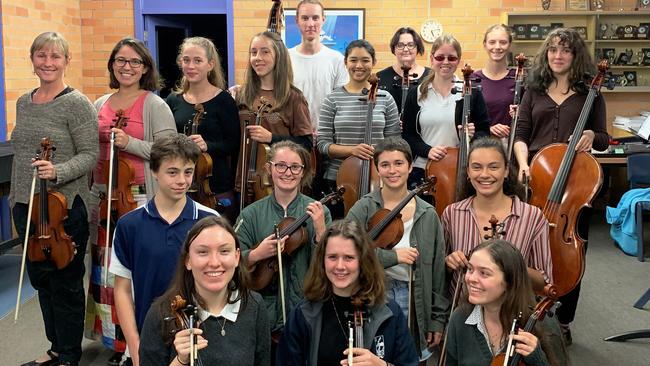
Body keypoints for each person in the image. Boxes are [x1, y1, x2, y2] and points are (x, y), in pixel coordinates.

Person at [513, 27, 609, 343]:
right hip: (537, 181)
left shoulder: (590, 94)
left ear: (574, 55)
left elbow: (604, 138)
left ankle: (564, 320)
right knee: (526, 248)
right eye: (553, 49)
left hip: (574, 186)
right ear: (547, 54)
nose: (558, 55)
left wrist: (592, 136)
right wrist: (524, 164)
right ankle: (528, 310)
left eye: (565, 50)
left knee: (571, 252)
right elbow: (521, 135)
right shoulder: (533, 89)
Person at [85, 37, 176, 365]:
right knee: (109, 275)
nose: (127, 67)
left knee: (137, 272)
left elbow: (169, 151)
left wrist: (131, 142)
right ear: (112, 64)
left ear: (145, 68)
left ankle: (143, 340)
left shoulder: (154, 104)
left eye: (134, 62)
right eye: (121, 60)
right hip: (106, 197)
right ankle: (117, 341)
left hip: (139, 196)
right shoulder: (99, 103)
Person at [11, 32, 99, 366]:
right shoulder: (24, 101)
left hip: (64, 207)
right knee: (42, 281)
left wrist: (57, 171)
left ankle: (69, 355)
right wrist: (18, 200)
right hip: (26, 206)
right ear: (32, 59)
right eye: (41, 56)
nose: (48, 63)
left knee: (65, 283)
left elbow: (91, 154)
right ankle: (54, 347)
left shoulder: (76, 104)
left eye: (55, 57)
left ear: (66, 61)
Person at [110, 134, 218, 366]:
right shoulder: (129, 225)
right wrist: (135, 345)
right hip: (148, 337)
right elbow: (123, 290)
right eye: (172, 172)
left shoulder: (209, 221)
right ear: (154, 171)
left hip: (199, 338)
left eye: (188, 172)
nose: (182, 180)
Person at [346, 137, 448, 362]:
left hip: (414, 296)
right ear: (377, 169)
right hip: (374, 293)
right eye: (385, 164)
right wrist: (392, 257)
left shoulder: (428, 213)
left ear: (410, 166)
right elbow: (346, 252)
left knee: (408, 358)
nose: (392, 170)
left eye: (399, 163)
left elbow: (438, 271)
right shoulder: (364, 207)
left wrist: (436, 320)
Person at [276, 219, 419, 365]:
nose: (340, 266)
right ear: (322, 261)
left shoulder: (390, 312)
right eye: (332, 257)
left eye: (349, 258)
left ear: (363, 261)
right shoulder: (303, 314)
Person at [234, 141, 331, 350]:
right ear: (269, 168)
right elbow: (229, 259)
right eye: (281, 165)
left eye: (295, 167)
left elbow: (332, 263)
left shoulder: (319, 212)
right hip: (264, 314)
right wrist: (255, 254)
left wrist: (321, 231)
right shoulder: (251, 214)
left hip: (308, 310)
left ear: (303, 171)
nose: (288, 172)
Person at [139, 216, 271, 366]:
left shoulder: (254, 305)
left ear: (236, 257)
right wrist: (180, 361)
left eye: (224, 251)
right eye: (203, 252)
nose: (214, 262)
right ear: (188, 260)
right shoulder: (161, 313)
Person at [442, 137, 553, 295]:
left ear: (506, 170)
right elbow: (439, 274)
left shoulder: (532, 216)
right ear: (468, 172)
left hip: (510, 312)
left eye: (493, 167)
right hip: (463, 310)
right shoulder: (451, 214)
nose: (485, 174)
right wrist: (448, 262)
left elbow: (543, 281)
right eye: (477, 167)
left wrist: (512, 265)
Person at [445, 240, 566, 366]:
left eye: (484, 273)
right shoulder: (460, 318)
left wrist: (538, 359)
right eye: (470, 269)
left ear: (509, 281)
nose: (471, 279)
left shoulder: (544, 325)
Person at [317, 39, 401, 217]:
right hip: (339, 180)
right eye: (353, 60)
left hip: (378, 178)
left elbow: (395, 143)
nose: (359, 66)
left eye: (365, 60)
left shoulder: (385, 98)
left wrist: (378, 153)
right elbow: (322, 144)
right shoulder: (332, 99)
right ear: (346, 62)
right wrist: (352, 150)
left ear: (374, 63)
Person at [401, 34, 490, 192]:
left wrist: (473, 135)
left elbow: (484, 132)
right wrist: (427, 150)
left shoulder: (471, 93)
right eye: (440, 57)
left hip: (461, 167)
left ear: (459, 60)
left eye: (452, 58)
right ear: (432, 58)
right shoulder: (417, 92)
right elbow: (408, 134)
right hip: (423, 169)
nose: (446, 62)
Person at [166, 37, 240, 222]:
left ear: (210, 64)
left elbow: (234, 144)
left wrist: (208, 146)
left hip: (215, 187)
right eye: (186, 60)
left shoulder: (224, 100)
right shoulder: (173, 100)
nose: (191, 66)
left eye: (197, 60)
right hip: (181, 186)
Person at [236, 31, 313, 152]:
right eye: (253, 52)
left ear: (279, 56)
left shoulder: (293, 97)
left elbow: (306, 144)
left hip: (278, 168)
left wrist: (272, 138)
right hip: (242, 169)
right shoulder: (242, 94)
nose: (257, 58)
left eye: (265, 52)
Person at [288, 0, 348, 132]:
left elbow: (341, 103)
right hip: (294, 135)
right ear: (297, 20)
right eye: (305, 18)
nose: (310, 24)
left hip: (327, 137)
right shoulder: (286, 58)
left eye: (315, 18)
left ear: (323, 20)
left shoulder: (336, 59)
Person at [471, 25, 516, 141]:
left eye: (503, 42)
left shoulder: (518, 78)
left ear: (509, 45)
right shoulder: (473, 79)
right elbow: (467, 121)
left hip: (511, 145)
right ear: (485, 45)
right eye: (492, 42)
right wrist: (488, 129)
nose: (497, 47)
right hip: (482, 143)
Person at [377, 27, 432, 115]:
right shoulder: (381, 77)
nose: (406, 49)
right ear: (394, 48)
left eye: (410, 45)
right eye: (400, 45)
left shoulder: (431, 76)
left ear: (417, 48)